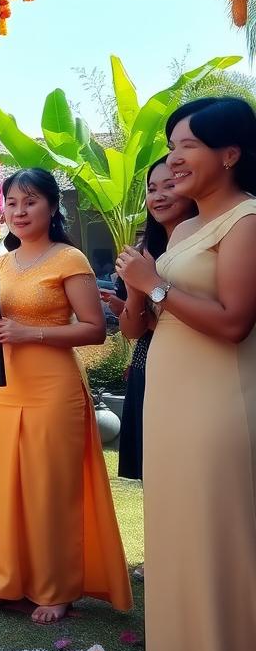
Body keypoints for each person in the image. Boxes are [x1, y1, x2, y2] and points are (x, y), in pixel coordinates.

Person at [116, 97, 256, 651]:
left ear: (230, 154)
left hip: (217, 404)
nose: (173, 159)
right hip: (169, 403)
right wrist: (139, 291)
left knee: (215, 543)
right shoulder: (184, 228)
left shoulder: (246, 220)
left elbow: (233, 322)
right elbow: (146, 322)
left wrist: (156, 285)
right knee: (174, 539)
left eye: (187, 145)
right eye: (172, 146)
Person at [0, 168, 131, 624]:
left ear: (52, 207)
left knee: (50, 489)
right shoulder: (1, 262)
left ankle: (56, 588)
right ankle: (6, 581)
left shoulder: (69, 258)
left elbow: (95, 329)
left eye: (31, 202)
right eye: (11, 203)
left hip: (54, 387)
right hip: (7, 387)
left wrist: (29, 333)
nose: (19, 212)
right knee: (8, 487)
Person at [105, 161, 195, 483]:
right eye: (152, 189)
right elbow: (132, 330)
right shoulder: (142, 253)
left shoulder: (203, 251)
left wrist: (151, 287)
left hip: (195, 367)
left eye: (169, 186)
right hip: (148, 364)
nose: (158, 196)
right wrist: (133, 292)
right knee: (155, 474)